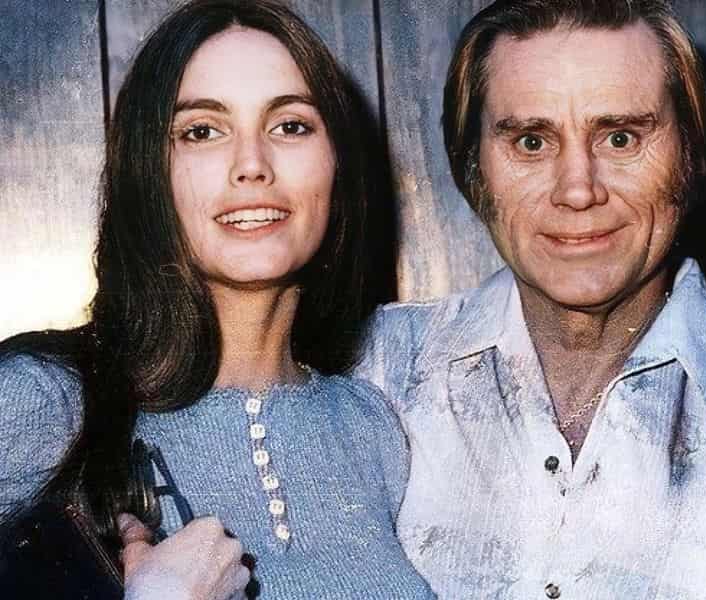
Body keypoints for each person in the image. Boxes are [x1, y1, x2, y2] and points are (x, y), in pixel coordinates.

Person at [0, 1, 434, 598]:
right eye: (202, 132)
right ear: (148, 172)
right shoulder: (46, 400)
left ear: (338, 165)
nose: (252, 165)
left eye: (290, 126)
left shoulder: (370, 427)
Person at [355, 1, 706, 598]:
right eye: (532, 141)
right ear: (474, 170)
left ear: (690, 157)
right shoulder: (365, 377)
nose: (578, 190)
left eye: (620, 137)